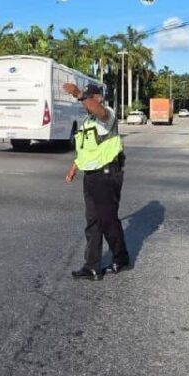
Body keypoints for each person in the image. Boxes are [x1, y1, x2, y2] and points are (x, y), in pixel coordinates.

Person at [63, 82, 129, 281]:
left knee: (107, 220)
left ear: (98, 98)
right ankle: (92, 266)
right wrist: (74, 167)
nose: (87, 101)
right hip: (91, 175)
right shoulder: (87, 121)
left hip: (107, 173)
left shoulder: (106, 114)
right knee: (92, 222)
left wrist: (79, 94)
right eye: (86, 97)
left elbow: (98, 111)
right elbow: (85, 148)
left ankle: (121, 257)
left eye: (91, 97)